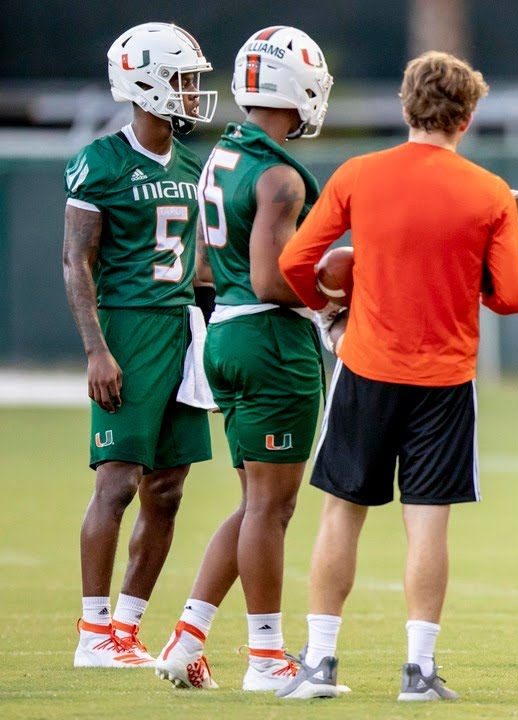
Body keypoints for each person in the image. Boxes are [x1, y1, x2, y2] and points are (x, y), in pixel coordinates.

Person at [273, 50, 518, 701]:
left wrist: (329, 307)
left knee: (342, 512)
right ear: (468, 116)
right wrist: (462, 270)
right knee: (428, 523)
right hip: (444, 379)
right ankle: (418, 671)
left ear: (405, 104)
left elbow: (297, 261)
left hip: (366, 369)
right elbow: (513, 298)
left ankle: (321, 665)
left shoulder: (360, 173)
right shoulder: (488, 191)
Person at [153, 26, 335, 692]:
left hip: (226, 333)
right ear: (299, 88)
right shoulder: (279, 174)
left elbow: (207, 266)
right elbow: (269, 279)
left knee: (255, 503)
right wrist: (339, 289)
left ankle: (188, 636)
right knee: (270, 510)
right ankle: (265, 660)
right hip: (267, 339)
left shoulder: (223, 154)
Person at [62, 21, 216, 669]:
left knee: (169, 487)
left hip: (182, 327)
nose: (190, 92)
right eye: (182, 79)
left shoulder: (191, 161)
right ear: (145, 82)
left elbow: (201, 262)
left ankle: (126, 630)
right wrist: (97, 348)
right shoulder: (101, 161)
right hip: (127, 326)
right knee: (118, 481)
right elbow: (76, 261)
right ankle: (93, 633)